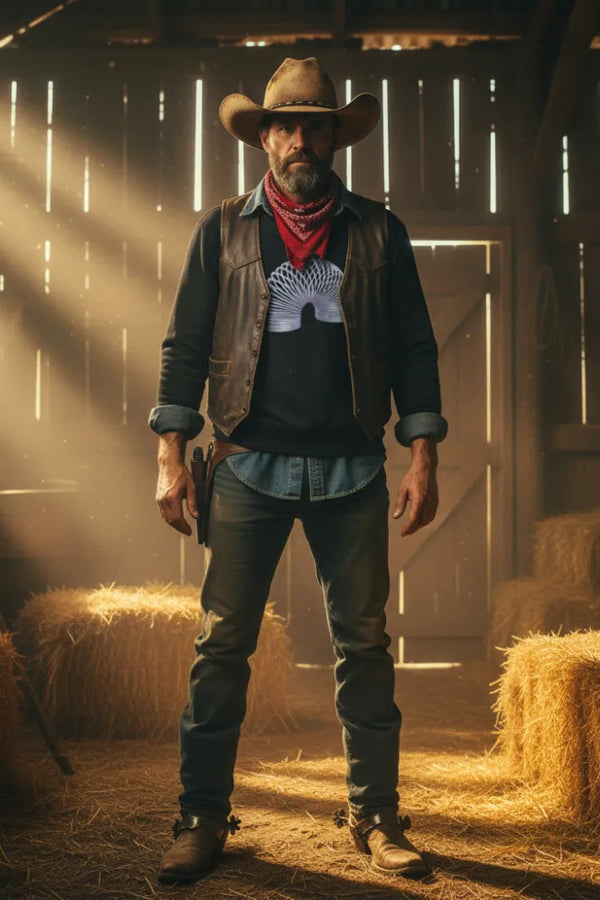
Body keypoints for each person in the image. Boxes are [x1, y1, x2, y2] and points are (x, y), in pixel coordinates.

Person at [149, 56, 448, 885]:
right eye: (286, 126)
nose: (300, 140)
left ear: (335, 138)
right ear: (263, 139)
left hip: (352, 468)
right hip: (244, 466)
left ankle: (376, 816)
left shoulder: (379, 233)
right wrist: (171, 453)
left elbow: (416, 350)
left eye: (317, 125)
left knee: (364, 649)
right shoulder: (222, 231)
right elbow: (183, 348)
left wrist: (422, 453)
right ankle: (202, 817)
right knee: (221, 648)